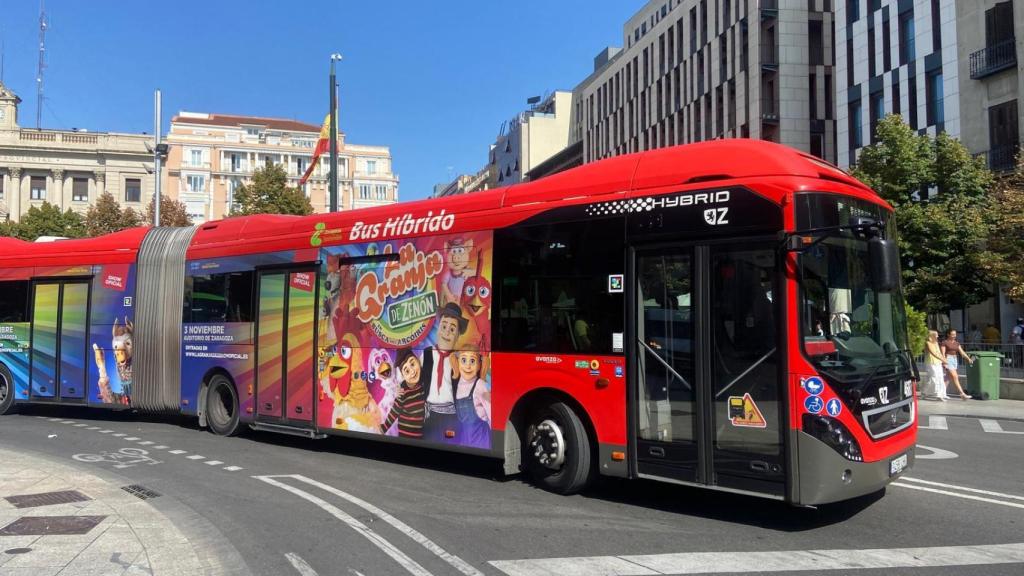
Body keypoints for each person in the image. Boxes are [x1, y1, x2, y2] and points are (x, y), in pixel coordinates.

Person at [940, 329, 973, 400]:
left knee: (947, 378)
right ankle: (962, 393)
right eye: (952, 334)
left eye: (955, 334)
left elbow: (962, 352)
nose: (954, 336)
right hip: (948, 359)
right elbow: (942, 353)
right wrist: (944, 362)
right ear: (948, 334)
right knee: (955, 376)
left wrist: (968, 359)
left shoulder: (957, 343)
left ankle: (941, 393)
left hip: (954, 360)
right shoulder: (944, 342)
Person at [924, 330, 947, 401]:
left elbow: (938, 352)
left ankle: (940, 394)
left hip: (938, 362)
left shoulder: (936, 343)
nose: (938, 336)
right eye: (936, 335)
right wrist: (943, 360)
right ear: (932, 336)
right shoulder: (927, 343)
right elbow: (933, 353)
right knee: (933, 377)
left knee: (940, 377)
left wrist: (943, 360)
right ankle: (935, 394)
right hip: (930, 362)